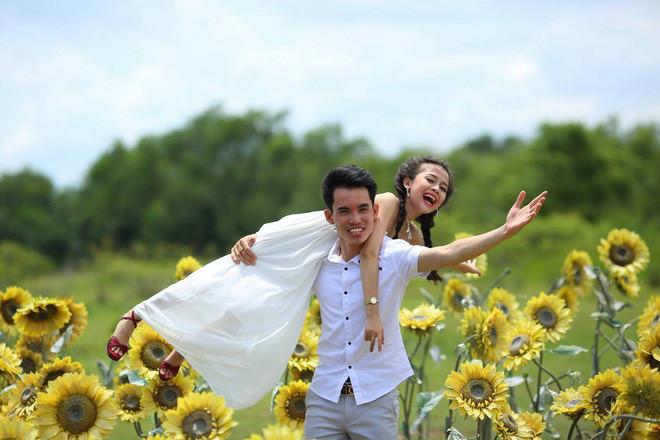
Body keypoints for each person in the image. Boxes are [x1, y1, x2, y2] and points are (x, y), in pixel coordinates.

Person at [106, 156, 477, 408]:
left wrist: (463, 264)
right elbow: (368, 255)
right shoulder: (387, 204)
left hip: (319, 261)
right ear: (409, 182)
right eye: (431, 180)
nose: (437, 189)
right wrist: (373, 314)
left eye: (443, 188)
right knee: (231, 285)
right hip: (306, 243)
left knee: (255, 308)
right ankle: (137, 316)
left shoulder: (411, 233)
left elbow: (431, 257)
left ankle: (179, 351)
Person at [304, 165, 545, 439]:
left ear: (374, 211)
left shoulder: (396, 253)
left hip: (374, 398)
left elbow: (445, 252)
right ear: (330, 216)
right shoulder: (317, 260)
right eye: (344, 211)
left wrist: (504, 231)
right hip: (324, 397)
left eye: (362, 209)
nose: (355, 219)